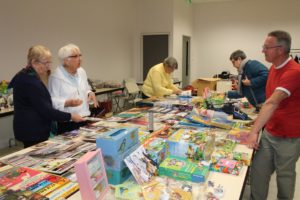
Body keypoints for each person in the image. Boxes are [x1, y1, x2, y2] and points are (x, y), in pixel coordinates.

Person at [246, 30, 300, 200]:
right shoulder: (273, 68)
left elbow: (273, 102)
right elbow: (268, 100)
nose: (263, 50)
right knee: (259, 170)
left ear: (280, 49)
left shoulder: (294, 71)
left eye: (266, 47)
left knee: (285, 176)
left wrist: (254, 132)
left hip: (289, 136)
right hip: (271, 132)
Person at [8, 45, 85, 148]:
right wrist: (71, 116)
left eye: (50, 62)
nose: (49, 66)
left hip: (32, 129)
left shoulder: (26, 75)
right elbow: (46, 110)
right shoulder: (30, 81)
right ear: (34, 62)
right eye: (46, 63)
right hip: (32, 132)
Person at [48, 43, 98, 134]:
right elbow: (52, 101)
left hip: (85, 118)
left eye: (80, 55)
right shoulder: (55, 77)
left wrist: (90, 93)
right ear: (66, 60)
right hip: (68, 123)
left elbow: (86, 88)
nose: (80, 59)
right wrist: (67, 103)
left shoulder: (81, 71)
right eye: (75, 56)